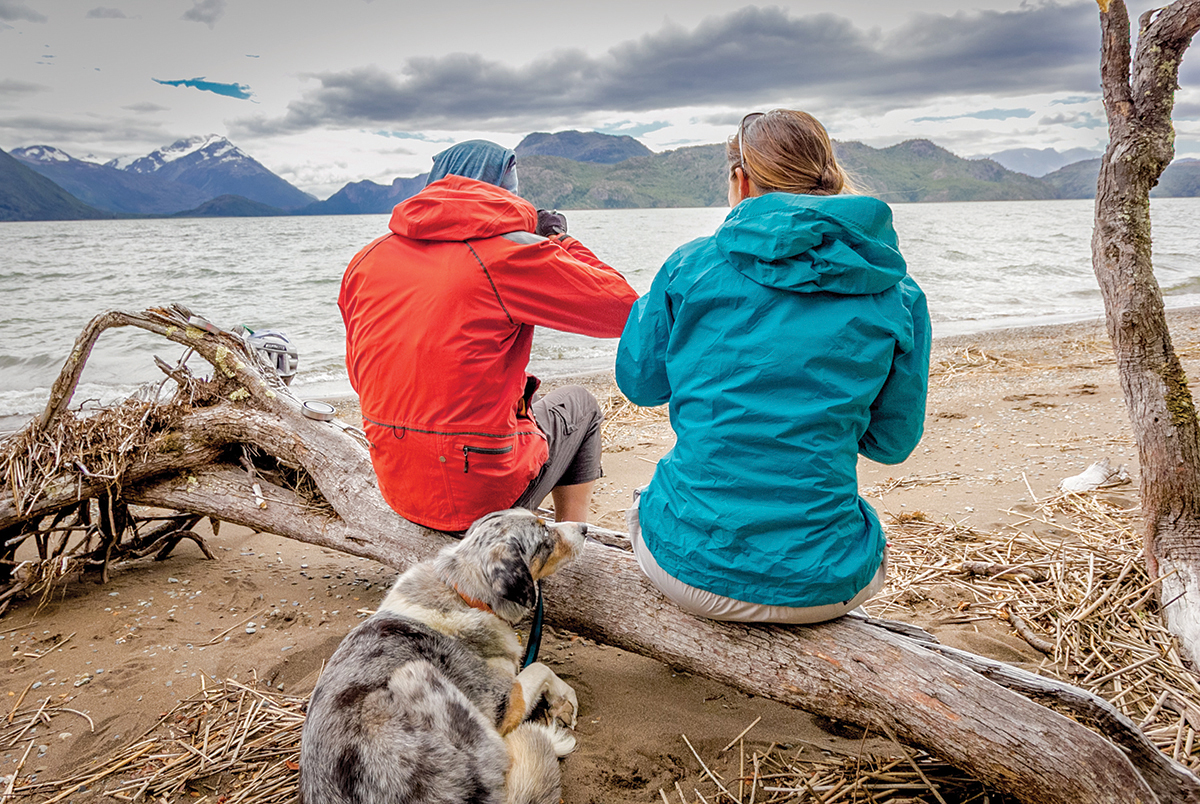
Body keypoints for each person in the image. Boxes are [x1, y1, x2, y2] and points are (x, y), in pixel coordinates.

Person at [615, 110, 930, 623]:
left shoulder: (689, 266)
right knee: (854, 524)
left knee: (652, 497)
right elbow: (891, 445)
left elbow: (640, 384)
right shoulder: (898, 293)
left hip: (689, 570)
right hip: (826, 585)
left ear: (740, 180)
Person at [340, 140, 638, 533]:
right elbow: (626, 310)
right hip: (477, 494)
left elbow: (362, 375)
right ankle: (568, 543)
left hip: (398, 481)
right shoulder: (507, 254)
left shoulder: (367, 259)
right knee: (581, 405)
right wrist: (559, 242)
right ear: (502, 188)